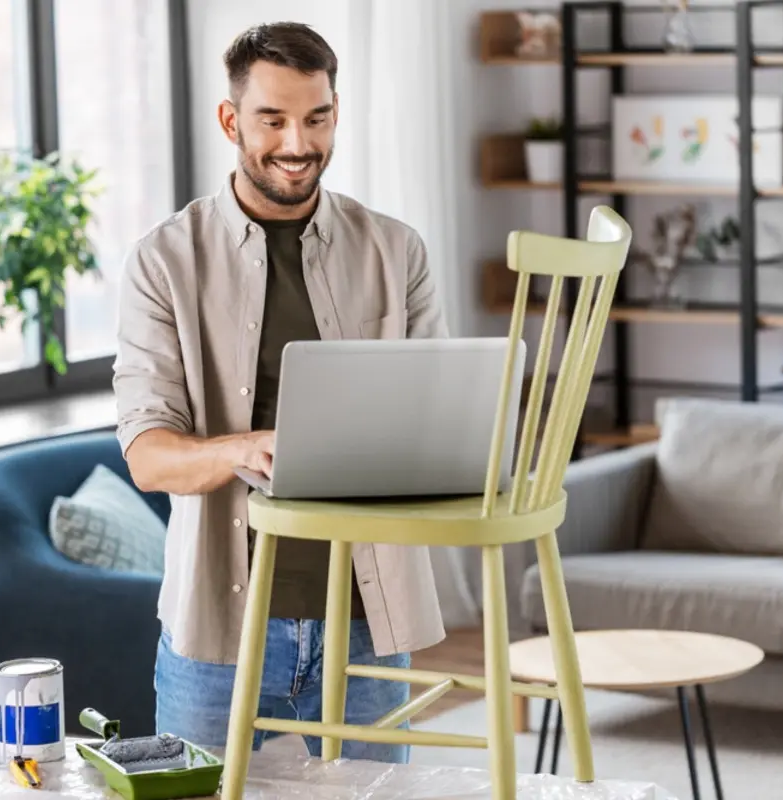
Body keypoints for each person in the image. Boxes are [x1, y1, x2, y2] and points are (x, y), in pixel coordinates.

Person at [112, 21, 448, 763]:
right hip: (219, 628)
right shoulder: (164, 262)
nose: (298, 142)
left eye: (317, 117)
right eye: (273, 119)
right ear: (232, 120)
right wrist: (242, 448)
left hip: (367, 616)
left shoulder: (398, 251)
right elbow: (148, 456)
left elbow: (435, 419)